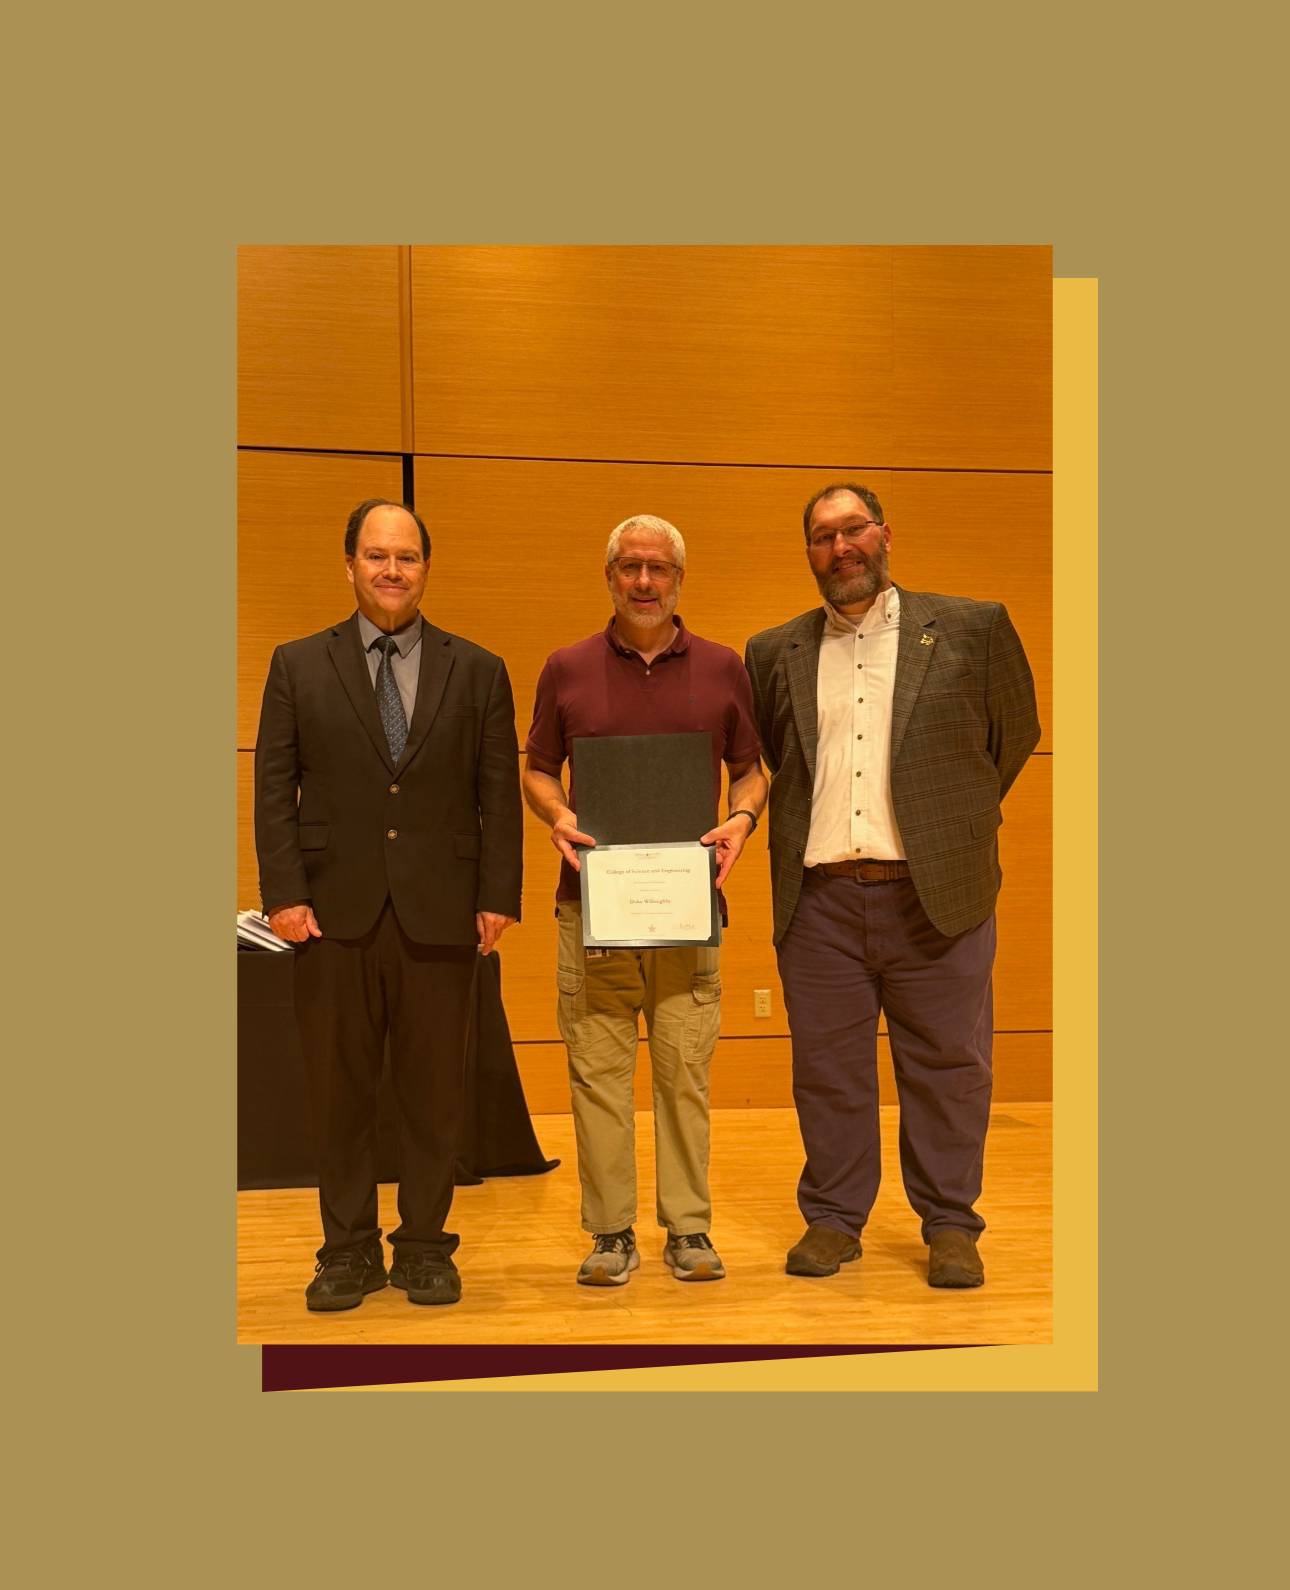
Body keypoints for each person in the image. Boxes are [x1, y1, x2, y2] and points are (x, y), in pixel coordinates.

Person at [744, 483, 1040, 1288]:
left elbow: (1013, 738)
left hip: (935, 895)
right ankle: (835, 1221)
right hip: (822, 903)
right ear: (807, 552)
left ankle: (950, 1224)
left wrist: (945, 827)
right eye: (821, 536)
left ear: (884, 534)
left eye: (853, 530)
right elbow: (781, 758)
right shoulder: (774, 652)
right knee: (828, 1070)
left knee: (949, 1065)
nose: (841, 548)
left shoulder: (974, 629)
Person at [254, 499, 522, 1311]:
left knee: (434, 1094)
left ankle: (425, 1247)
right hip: (330, 916)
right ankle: (346, 1251)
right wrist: (284, 895)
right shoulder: (297, 664)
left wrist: (498, 897)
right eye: (377, 555)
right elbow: (274, 789)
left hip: (443, 915)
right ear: (349, 566)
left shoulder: (477, 669)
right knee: (339, 1095)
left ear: (426, 569)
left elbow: (498, 796)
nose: (392, 570)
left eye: (407, 556)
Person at [522, 515, 767, 1286]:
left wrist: (740, 820)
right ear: (609, 576)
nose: (644, 582)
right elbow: (536, 769)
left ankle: (689, 1229)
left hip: (687, 914)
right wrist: (557, 814)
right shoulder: (566, 668)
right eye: (630, 567)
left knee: (683, 1073)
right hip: (591, 910)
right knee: (596, 1075)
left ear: (680, 580)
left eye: (659, 568)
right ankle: (610, 1234)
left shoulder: (725, 668)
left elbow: (753, 771)